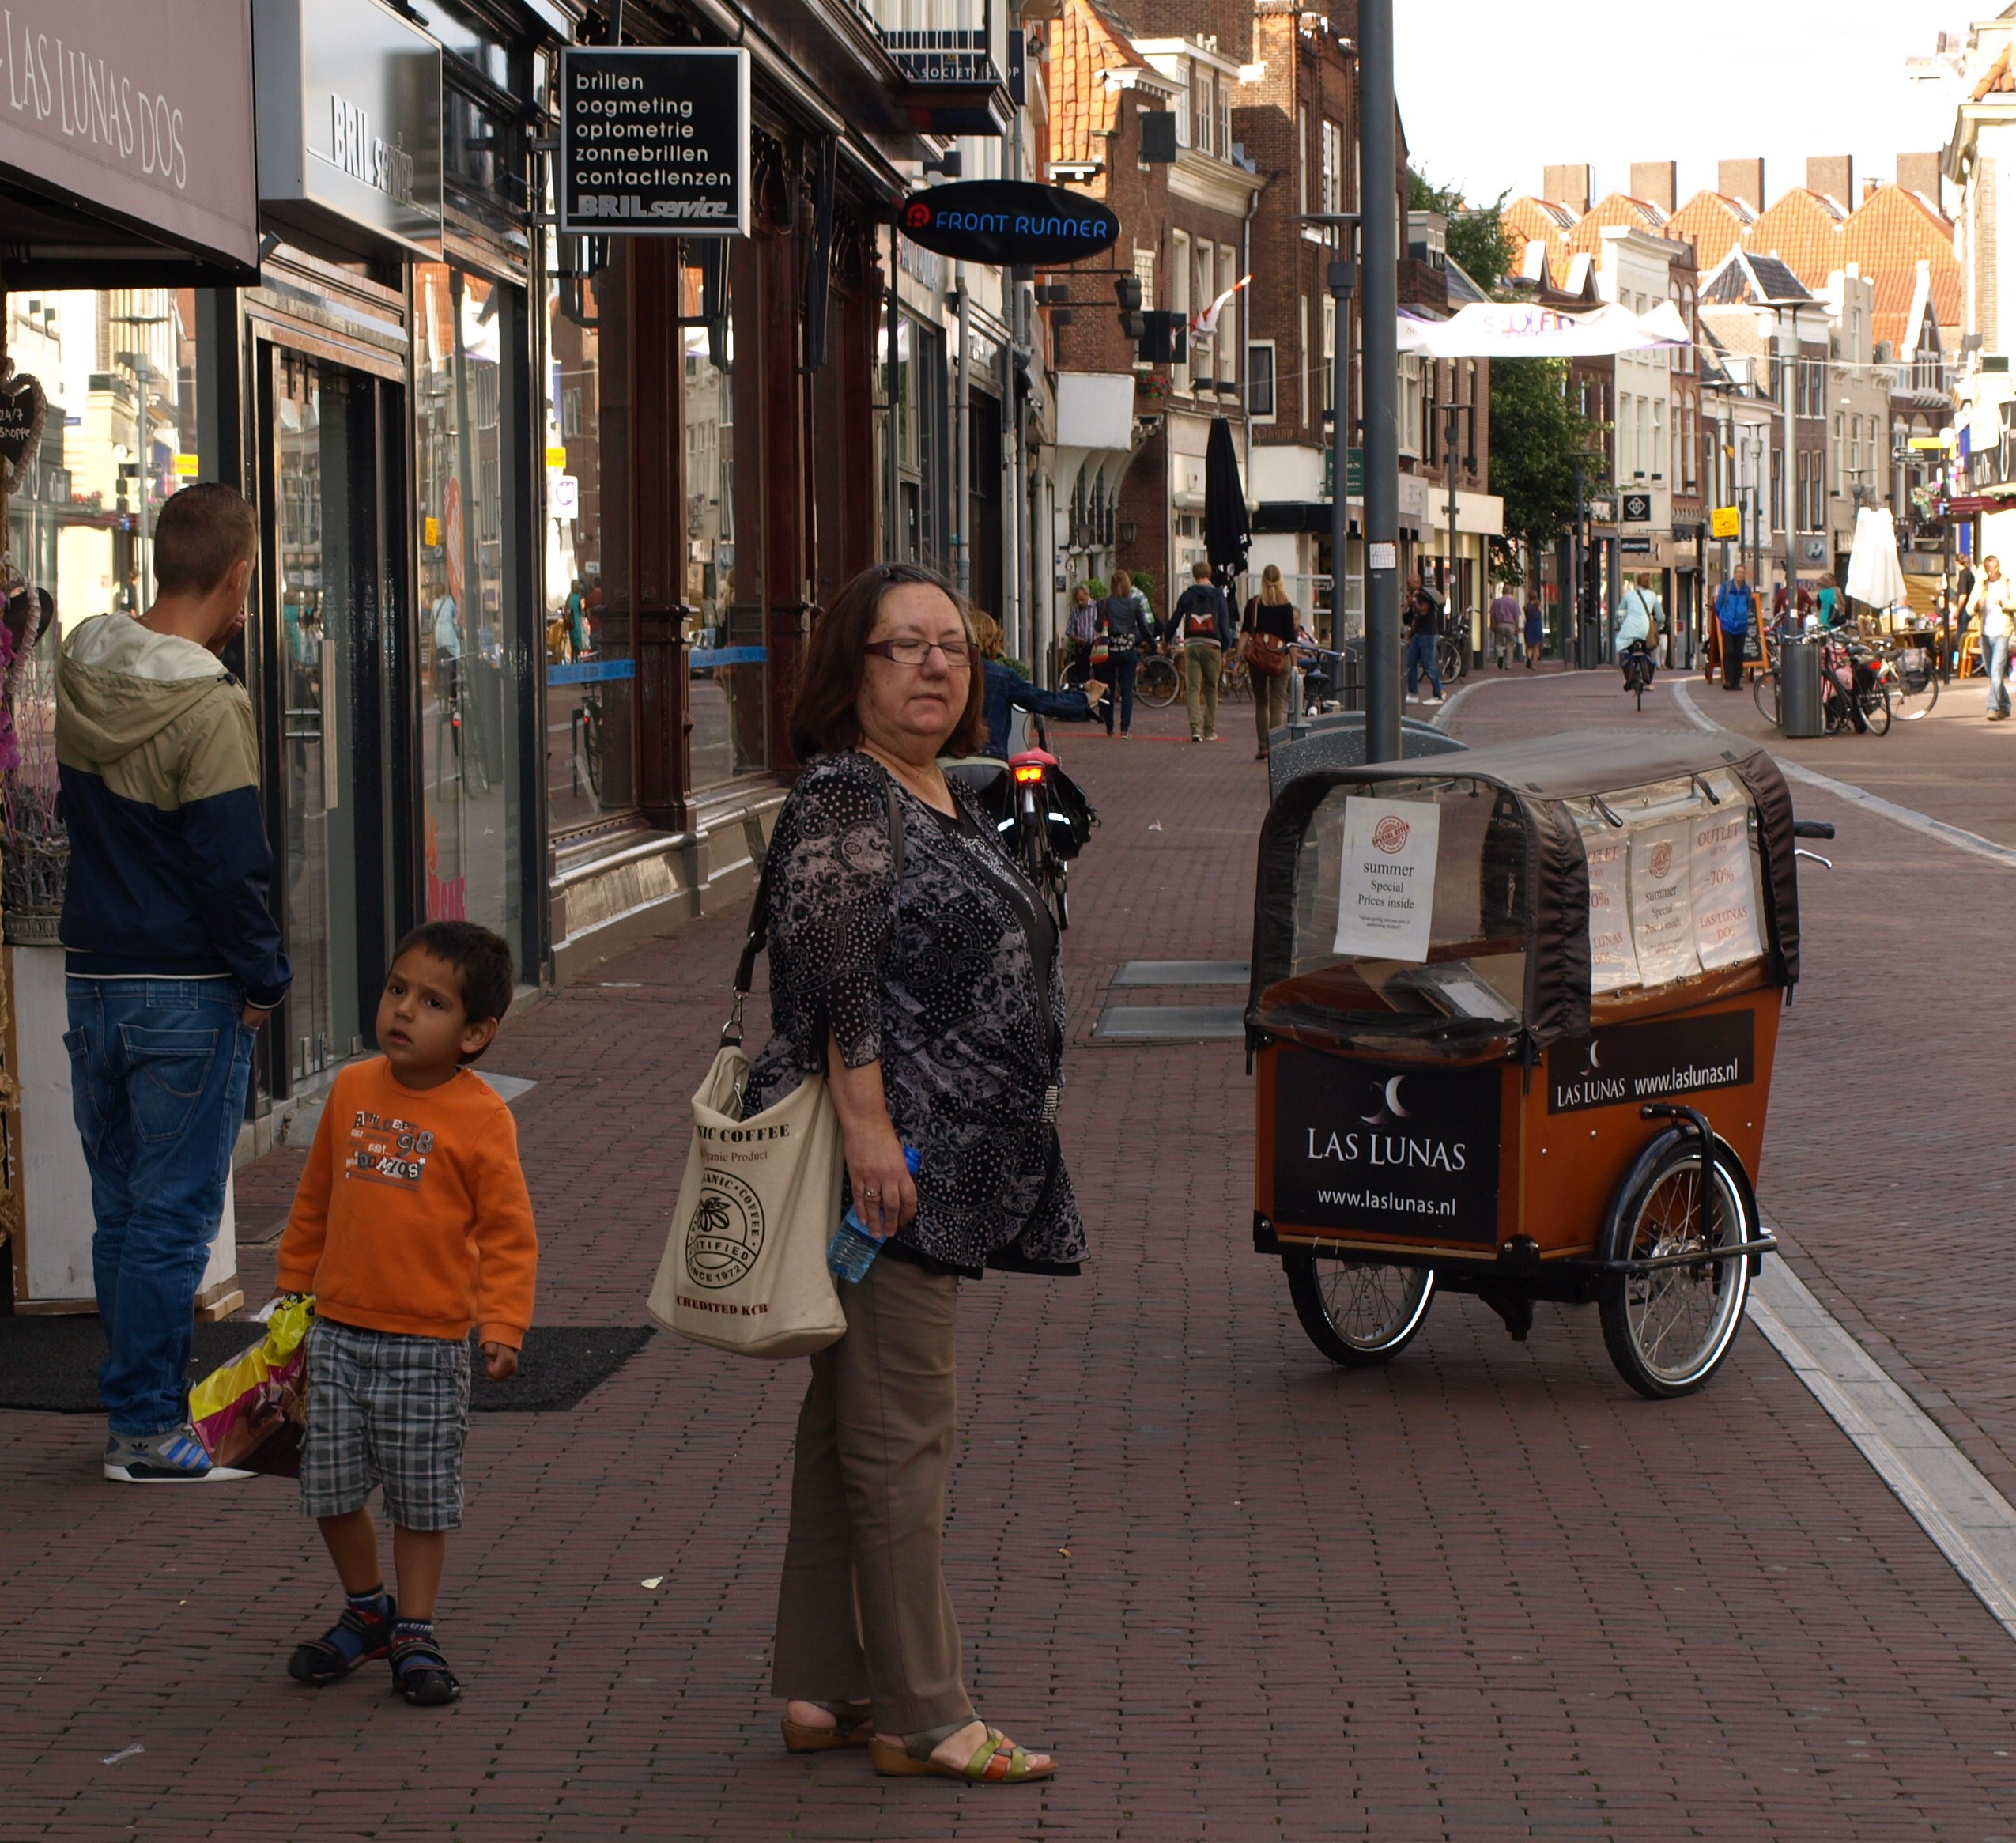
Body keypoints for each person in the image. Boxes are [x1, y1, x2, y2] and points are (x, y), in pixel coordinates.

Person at [753, 560, 1076, 1784]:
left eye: (952, 645)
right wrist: (871, 1130)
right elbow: (832, 973)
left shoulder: (935, 786)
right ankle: (924, 1712)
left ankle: (828, 1683)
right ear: (852, 670)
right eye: (904, 645)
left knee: (849, 1424)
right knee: (903, 1436)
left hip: (935, 1151)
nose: (935, 665)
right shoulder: (849, 790)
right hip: (894, 1166)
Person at [58, 484, 293, 1484]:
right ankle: (148, 1427)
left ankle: (134, 1407)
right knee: (172, 1217)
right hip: (187, 985)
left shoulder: (83, 662)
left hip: (94, 978)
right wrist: (265, 978)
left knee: (122, 1210)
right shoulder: (208, 703)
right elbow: (231, 866)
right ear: (238, 577)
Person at [275, 921, 537, 1708]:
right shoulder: (352, 1089)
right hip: (337, 1333)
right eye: (397, 989)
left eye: (432, 1002)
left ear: (475, 1034)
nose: (403, 1010)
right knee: (328, 1486)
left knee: (421, 1497)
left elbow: (508, 1233)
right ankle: (367, 1611)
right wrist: (292, 1296)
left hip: (428, 1343)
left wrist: (502, 1324)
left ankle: (414, 1630)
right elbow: (314, 1200)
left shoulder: (482, 1117)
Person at [972, 610, 1104, 756]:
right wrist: (1087, 698)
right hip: (990, 758)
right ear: (993, 642)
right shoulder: (1002, 676)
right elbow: (1046, 702)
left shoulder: (954, 672)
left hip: (955, 760)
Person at [1171, 559, 1234, 742]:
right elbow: (1224, 623)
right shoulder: (1218, 595)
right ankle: (1210, 730)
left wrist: (1166, 639)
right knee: (1211, 688)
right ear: (1209, 574)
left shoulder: (1188, 595)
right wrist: (1225, 648)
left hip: (1192, 644)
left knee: (1193, 688)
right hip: (1212, 645)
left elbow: (1175, 619)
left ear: (1194, 575)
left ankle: (1195, 730)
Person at [1241, 563, 1299, 758]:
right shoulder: (1286, 606)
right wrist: (1295, 665)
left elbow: (1245, 633)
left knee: (1261, 702)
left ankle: (1263, 746)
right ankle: (1275, 747)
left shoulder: (1254, 604)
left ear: (1263, 580)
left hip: (1257, 658)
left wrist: (1239, 658)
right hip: (1280, 658)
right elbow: (1291, 639)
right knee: (1277, 702)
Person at [1096, 569, 1153, 738]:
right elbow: (1144, 627)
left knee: (1109, 689)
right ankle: (1125, 729)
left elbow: (1098, 626)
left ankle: (1109, 726)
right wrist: (1153, 644)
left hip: (1109, 651)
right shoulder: (1135, 603)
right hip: (1128, 650)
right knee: (1127, 690)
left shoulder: (1104, 603)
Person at [1967, 553, 2015, 720]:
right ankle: (2005, 706)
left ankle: (1992, 708)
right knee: (1992, 674)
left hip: (2002, 633)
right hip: (1985, 634)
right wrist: (1976, 605)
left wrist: (2003, 603)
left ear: (1999, 567)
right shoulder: (1981, 585)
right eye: (1988, 569)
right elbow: (1969, 608)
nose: (1992, 572)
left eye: (1994, 568)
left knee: (1996, 672)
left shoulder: (2007, 583)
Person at [1713, 567, 1755, 691]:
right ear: (1734, 573)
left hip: (1742, 625)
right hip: (1728, 624)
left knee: (1739, 654)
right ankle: (1729, 680)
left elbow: (1749, 605)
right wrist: (1723, 617)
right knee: (1729, 652)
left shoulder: (1747, 589)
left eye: (1742, 572)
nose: (1740, 575)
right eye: (1738, 572)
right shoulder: (1726, 587)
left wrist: (1743, 616)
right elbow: (1718, 606)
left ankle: (1736, 682)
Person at [1405, 575, 1444, 704]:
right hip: (1418, 633)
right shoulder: (1415, 596)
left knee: (1429, 666)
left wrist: (1414, 602)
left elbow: (1423, 611)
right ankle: (1413, 693)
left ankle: (1439, 694)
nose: (1408, 586)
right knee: (1411, 662)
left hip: (1428, 634)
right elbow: (1415, 618)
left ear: (1417, 582)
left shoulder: (1424, 595)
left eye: (1410, 583)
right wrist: (1410, 635)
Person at [1064, 583, 1100, 684]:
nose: (1080, 603)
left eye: (1082, 599)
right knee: (1082, 677)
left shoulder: (1097, 607)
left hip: (1096, 645)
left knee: (1099, 674)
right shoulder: (1075, 612)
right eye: (1077, 600)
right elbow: (1069, 631)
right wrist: (1077, 639)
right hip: (1082, 647)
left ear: (1088, 595)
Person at [1488, 583, 1522, 670]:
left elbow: (1492, 615)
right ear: (1510, 592)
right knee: (1510, 644)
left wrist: (1493, 625)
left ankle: (1500, 654)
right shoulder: (1514, 603)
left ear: (1502, 592)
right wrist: (1516, 627)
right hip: (1510, 625)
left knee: (1498, 642)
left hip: (1499, 624)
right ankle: (1508, 665)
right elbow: (1516, 617)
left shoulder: (1496, 602)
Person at [1523, 591, 1545, 670]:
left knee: (1529, 646)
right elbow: (1541, 610)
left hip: (1529, 625)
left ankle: (1529, 657)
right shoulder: (1538, 605)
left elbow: (1526, 616)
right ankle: (1534, 665)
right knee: (1536, 646)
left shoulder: (1526, 607)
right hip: (1537, 626)